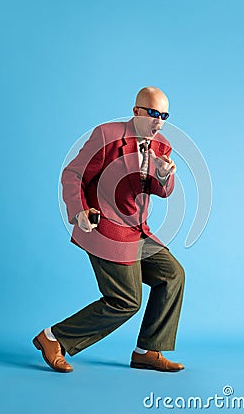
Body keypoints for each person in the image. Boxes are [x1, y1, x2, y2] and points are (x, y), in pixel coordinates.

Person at [33, 86, 185, 372]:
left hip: (139, 230)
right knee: (126, 300)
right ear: (136, 111)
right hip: (105, 230)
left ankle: (147, 351)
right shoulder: (107, 135)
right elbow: (73, 173)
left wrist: (164, 177)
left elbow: (157, 189)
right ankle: (53, 338)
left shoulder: (161, 145)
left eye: (164, 115)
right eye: (153, 113)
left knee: (173, 276)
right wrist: (79, 212)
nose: (159, 121)